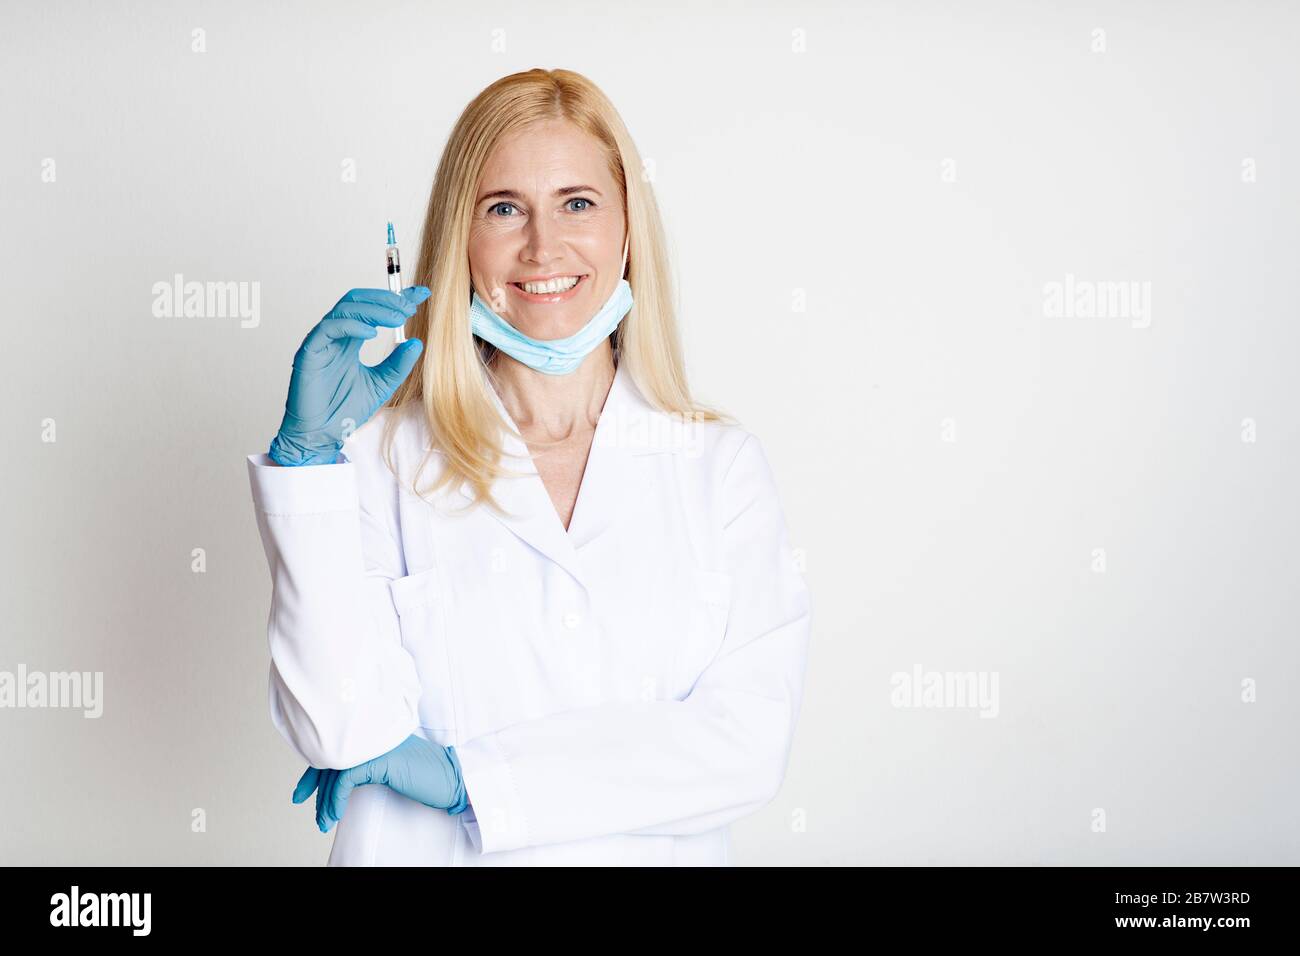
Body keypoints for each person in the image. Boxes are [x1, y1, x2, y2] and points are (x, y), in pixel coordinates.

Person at [246, 68, 812, 866]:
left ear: (625, 230)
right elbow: (337, 728)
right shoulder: (378, 459)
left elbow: (747, 743)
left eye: (577, 203)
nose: (543, 247)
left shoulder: (718, 469)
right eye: (504, 209)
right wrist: (305, 467)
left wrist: (474, 782)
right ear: (459, 240)